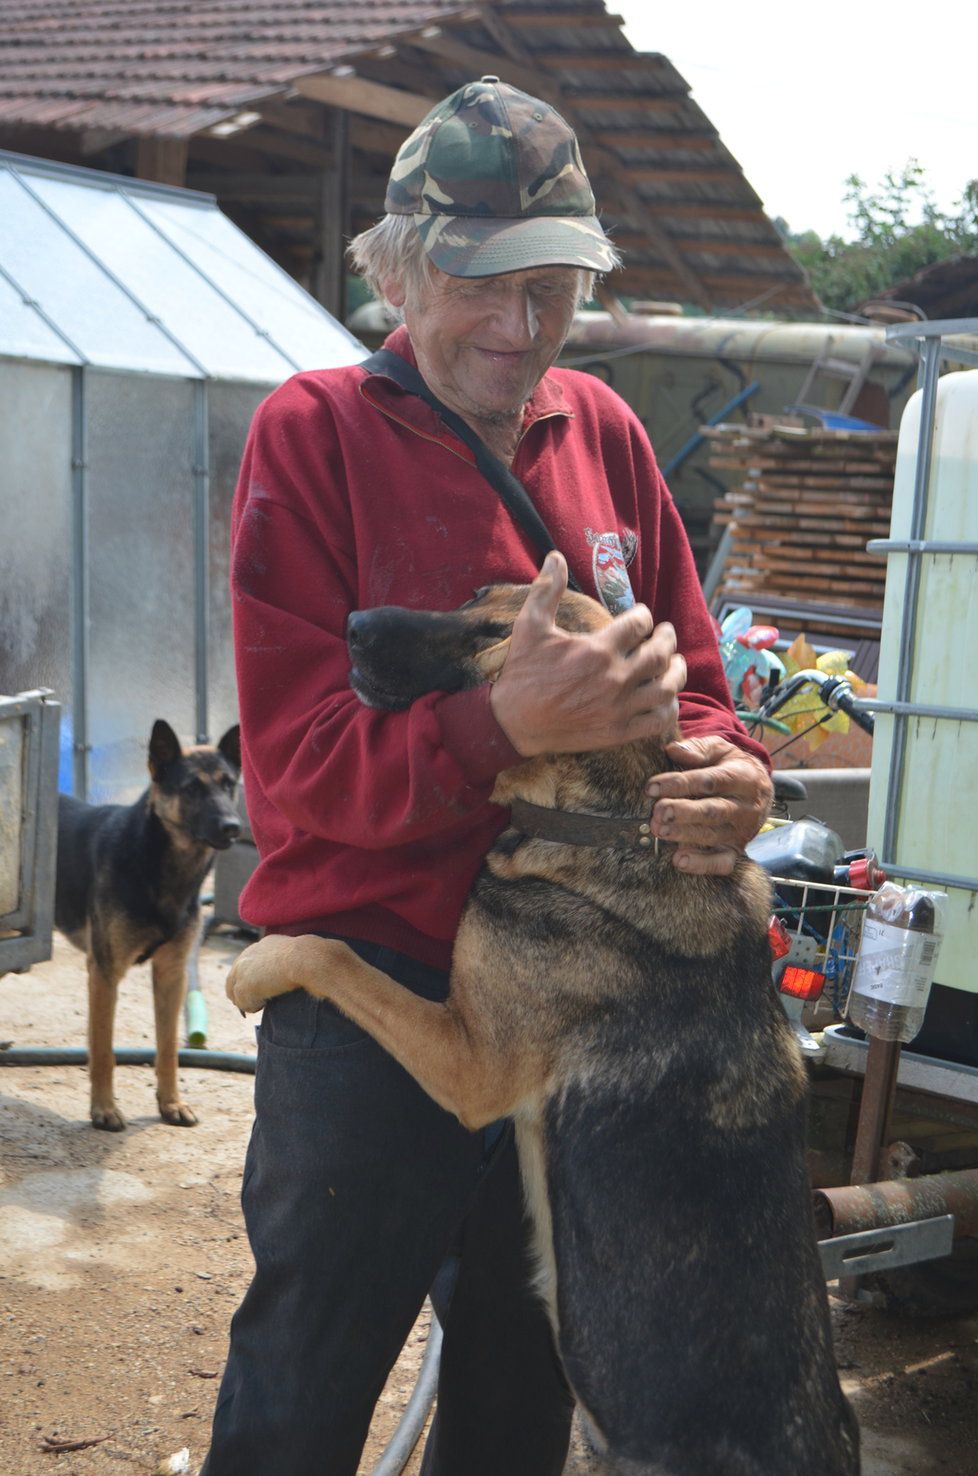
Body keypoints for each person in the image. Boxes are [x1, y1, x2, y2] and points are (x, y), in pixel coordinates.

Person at [200, 77, 772, 1476]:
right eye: (483, 290)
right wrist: (504, 725)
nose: (521, 334)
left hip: (579, 1016)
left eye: (554, 291)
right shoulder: (313, 433)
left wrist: (732, 770)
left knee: (520, 1392)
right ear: (397, 272)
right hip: (374, 995)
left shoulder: (610, 434)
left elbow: (695, 677)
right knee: (302, 1387)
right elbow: (296, 778)